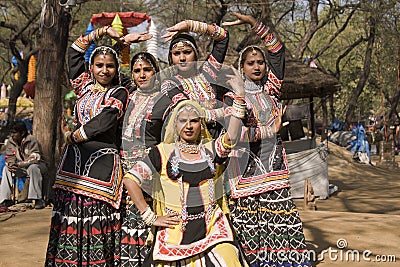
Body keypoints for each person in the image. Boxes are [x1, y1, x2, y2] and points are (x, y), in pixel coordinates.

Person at [45, 24, 151, 266]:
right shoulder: (83, 85)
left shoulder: (120, 91)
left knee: (96, 220)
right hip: (72, 167)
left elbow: (104, 121)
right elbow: (73, 53)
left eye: (110, 66)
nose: (104, 70)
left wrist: (74, 136)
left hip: (101, 166)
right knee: (68, 216)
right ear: (91, 67)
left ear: (117, 69)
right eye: (99, 65)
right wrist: (103, 32)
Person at [122, 68, 247, 266]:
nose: (188, 125)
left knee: (229, 260)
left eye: (194, 120)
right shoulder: (162, 152)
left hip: (212, 230)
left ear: (201, 124)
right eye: (183, 121)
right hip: (174, 232)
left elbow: (231, 136)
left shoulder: (210, 149)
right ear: (175, 125)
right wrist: (150, 217)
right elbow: (130, 179)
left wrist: (239, 95)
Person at [222, 12, 310, 266]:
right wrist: (268, 131)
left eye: (260, 62)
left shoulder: (271, 89)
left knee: (283, 222)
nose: (258, 66)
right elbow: (233, 135)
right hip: (245, 173)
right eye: (251, 63)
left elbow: (278, 52)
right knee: (249, 230)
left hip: (275, 169)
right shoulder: (232, 97)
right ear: (242, 67)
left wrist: (253, 24)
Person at [119, 51, 171, 266]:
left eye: (147, 70)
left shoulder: (165, 100)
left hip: (149, 171)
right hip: (121, 171)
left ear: (156, 73)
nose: (142, 75)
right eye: (137, 70)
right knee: (124, 228)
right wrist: (122, 44)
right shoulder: (125, 96)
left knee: (145, 228)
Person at [160, 19, 229, 138]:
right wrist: (226, 112)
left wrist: (190, 25)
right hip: (192, 142)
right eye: (176, 54)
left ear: (196, 54)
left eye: (187, 52)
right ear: (171, 58)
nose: (182, 58)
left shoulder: (208, 72)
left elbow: (223, 37)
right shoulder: (170, 84)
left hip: (219, 139)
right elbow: (191, 113)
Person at [0, 121, 47, 210]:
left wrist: (19, 164)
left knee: (33, 168)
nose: (12, 135)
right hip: (22, 168)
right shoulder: (11, 142)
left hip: (38, 166)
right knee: (6, 169)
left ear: (22, 133)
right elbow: (9, 156)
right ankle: (5, 200)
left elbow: (35, 158)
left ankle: (37, 199)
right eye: (11, 133)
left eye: (14, 133)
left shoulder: (31, 140)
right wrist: (11, 164)